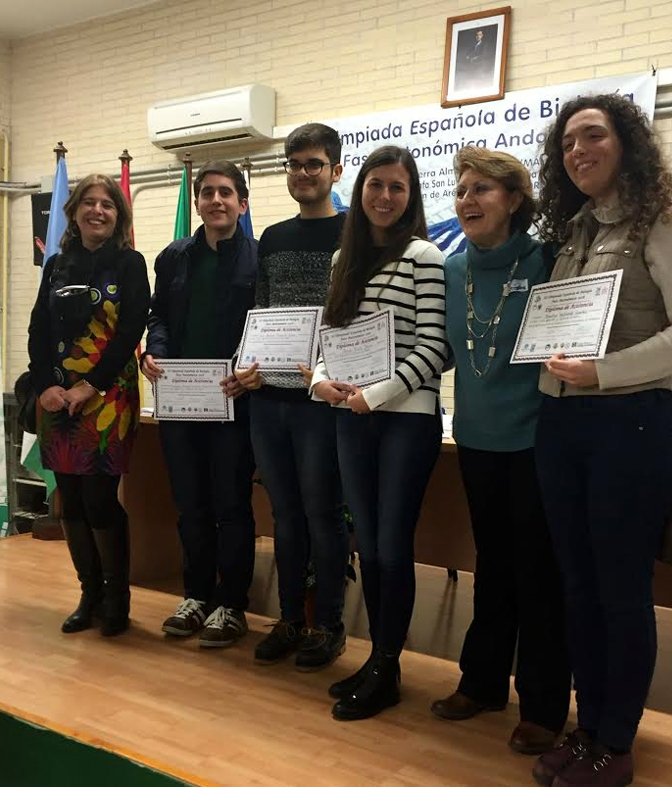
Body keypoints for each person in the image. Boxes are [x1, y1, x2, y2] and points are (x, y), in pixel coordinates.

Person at [531, 94, 672, 787]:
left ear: (627, 144)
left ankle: (615, 742)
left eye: (593, 136)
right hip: (562, 427)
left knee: (619, 592)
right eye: (566, 143)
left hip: (630, 425)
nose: (577, 151)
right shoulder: (572, 233)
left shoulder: (664, 220)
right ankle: (587, 728)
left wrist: (603, 371)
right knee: (578, 590)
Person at [430, 146, 570, 754]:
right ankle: (482, 683)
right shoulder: (453, 269)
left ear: (514, 200)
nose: (468, 200)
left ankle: (542, 706)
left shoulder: (548, 261)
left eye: (482, 190)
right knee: (492, 566)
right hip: (477, 440)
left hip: (536, 440)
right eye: (462, 190)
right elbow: (442, 348)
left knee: (538, 573)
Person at [312, 145, 446, 720]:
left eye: (397, 187)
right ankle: (376, 661)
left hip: (405, 420)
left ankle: (388, 668)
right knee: (366, 547)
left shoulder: (424, 256)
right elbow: (329, 336)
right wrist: (319, 381)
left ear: (411, 196)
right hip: (351, 416)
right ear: (360, 189)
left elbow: (435, 347)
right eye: (376, 184)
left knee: (392, 547)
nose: (385, 196)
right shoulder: (343, 258)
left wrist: (377, 395)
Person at [234, 123, 349, 671]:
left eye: (314, 164)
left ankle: (328, 625)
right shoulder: (273, 237)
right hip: (269, 401)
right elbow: (260, 312)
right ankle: (289, 619)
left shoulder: (354, 233)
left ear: (335, 170)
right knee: (284, 516)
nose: (303, 173)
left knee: (324, 515)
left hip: (322, 402)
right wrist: (248, 364)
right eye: (295, 164)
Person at [28, 173, 150, 637]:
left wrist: (90, 387)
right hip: (57, 398)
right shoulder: (57, 265)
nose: (98, 210)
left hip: (107, 397)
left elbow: (131, 330)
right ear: (74, 211)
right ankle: (89, 595)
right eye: (89, 202)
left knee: (100, 499)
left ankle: (117, 599)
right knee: (71, 501)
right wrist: (45, 385)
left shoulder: (129, 263)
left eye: (108, 204)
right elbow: (38, 330)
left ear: (119, 216)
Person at [141, 161, 257, 648]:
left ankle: (232, 605)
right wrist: (153, 352)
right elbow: (159, 316)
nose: (216, 200)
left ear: (242, 204)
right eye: (207, 192)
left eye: (225, 192)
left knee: (231, 505)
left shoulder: (258, 258)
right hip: (181, 403)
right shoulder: (173, 257)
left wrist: (252, 370)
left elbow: (267, 325)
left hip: (233, 401)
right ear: (198, 202)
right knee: (190, 505)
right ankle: (195, 597)